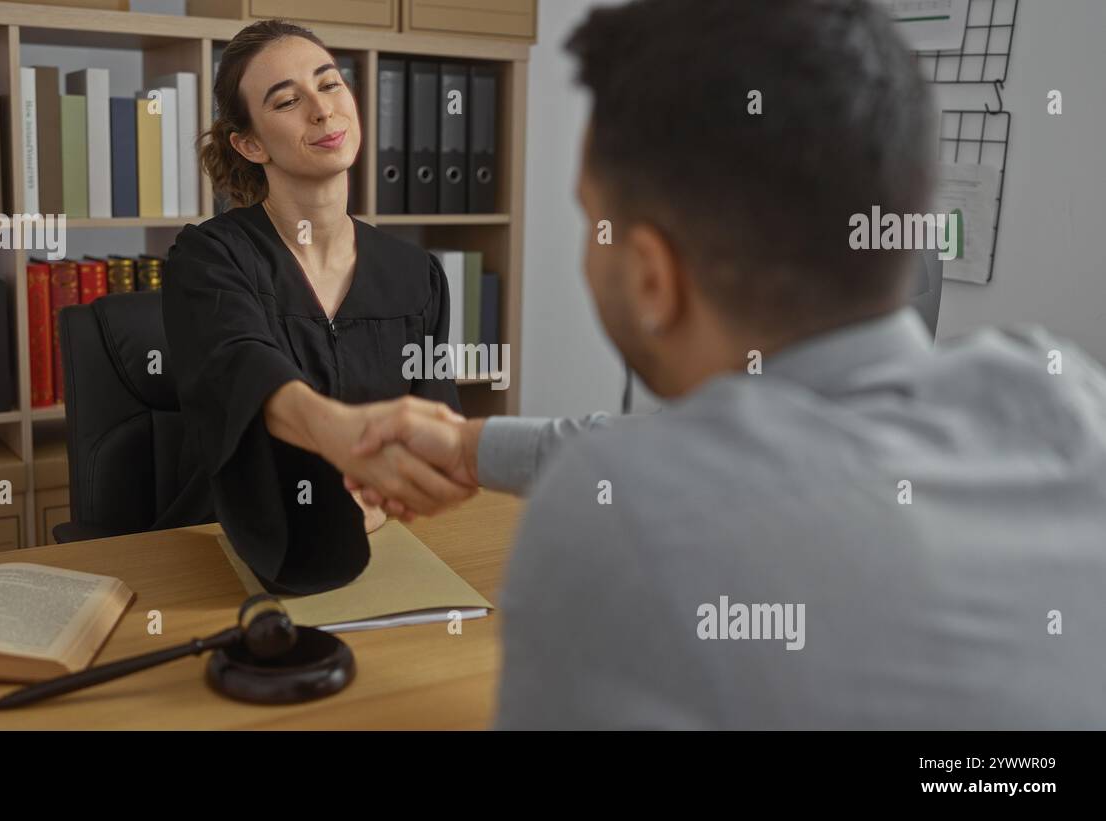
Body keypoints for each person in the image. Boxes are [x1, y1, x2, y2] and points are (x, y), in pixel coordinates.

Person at [344, 0, 1106, 729]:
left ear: (651, 276)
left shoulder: (619, 527)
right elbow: (682, 457)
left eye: (590, 218)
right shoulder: (1058, 392)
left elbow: (664, 476)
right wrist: (472, 445)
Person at [160, 20, 474, 595]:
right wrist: (344, 434)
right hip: (229, 553)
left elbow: (434, 428)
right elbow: (243, 368)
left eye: (330, 85)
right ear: (250, 143)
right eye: (287, 100)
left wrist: (382, 499)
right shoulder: (209, 259)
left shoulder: (416, 274)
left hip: (382, 547)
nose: (323, 111)